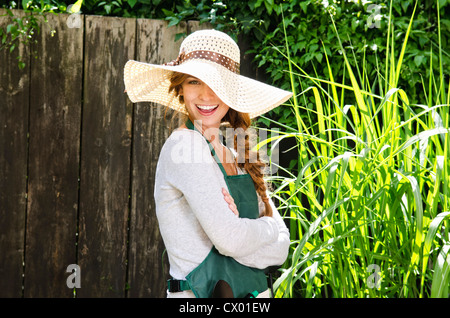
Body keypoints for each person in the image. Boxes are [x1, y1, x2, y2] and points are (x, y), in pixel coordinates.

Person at [124, 29, 292, 298]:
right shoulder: (185, 147)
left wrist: (246, 233)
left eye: (218, 83)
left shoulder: (237, 157)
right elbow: (231, 240)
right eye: (194, 82)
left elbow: (282, 249)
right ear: (179, 88)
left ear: (232, 93)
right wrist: (268, 230)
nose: (206, 95)